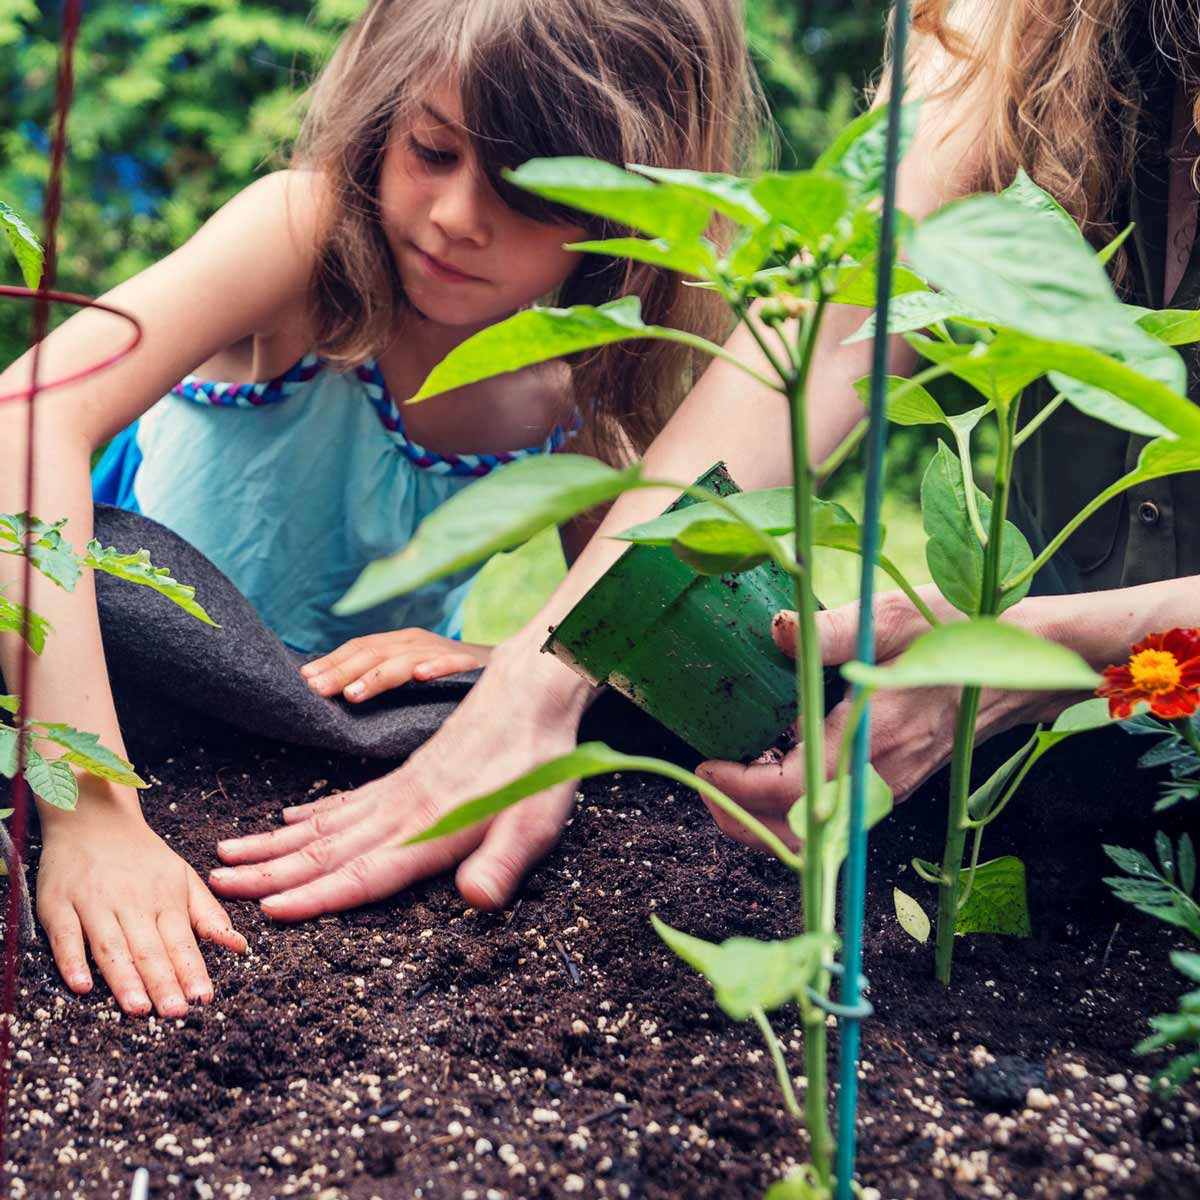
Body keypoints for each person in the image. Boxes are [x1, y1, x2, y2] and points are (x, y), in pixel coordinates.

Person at [209, 0, 1199, 913]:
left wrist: (1044, 654)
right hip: (1059, 783)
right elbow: (845, 307)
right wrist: (536, 677)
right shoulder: (1041, 23)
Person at [0, 0, 766, 1017]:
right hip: (123, 678)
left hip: (332, 740)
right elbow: (26, 423)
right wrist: (90, 813)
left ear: (637, 213)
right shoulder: (303, 242)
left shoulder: (578, 372)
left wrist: (500, 666)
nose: (457, 215)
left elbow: (640, 622)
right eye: (435, 149)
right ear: (389, 109)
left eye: (533, 192)